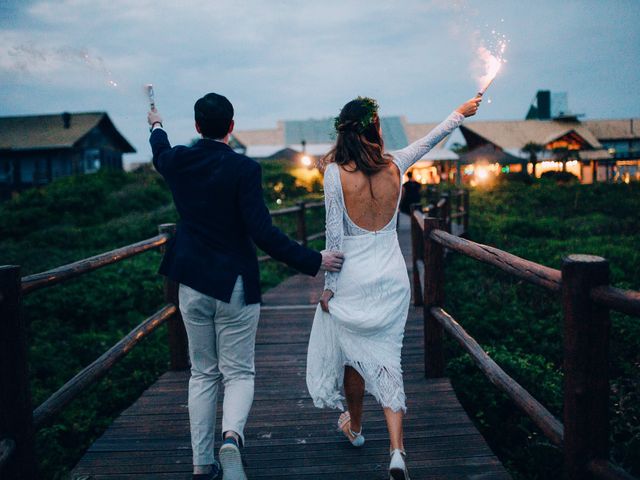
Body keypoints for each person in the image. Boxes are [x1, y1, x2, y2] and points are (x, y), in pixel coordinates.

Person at [147, 93, 344, 480]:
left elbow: (160, 151)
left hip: (191, 282)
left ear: (198, 126)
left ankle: (202, 463)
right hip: (234, 282)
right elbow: (263, 233)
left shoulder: (179, 162)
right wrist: (314, 260)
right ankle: (232, 438)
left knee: (202, 373)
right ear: (231, 127)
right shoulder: (244, 169)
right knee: (238, 372)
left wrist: (156, 123)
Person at [306, 95, 480, 480]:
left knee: (353, 356)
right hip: (391, 278)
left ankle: (354, 427)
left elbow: (334, 240)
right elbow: (432, 139)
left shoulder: (334, 174)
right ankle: (397, 451)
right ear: (373, 129)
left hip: (353, 277)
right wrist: (460, 113)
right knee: (388, 360)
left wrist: (329, 288)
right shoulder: (396, 165)